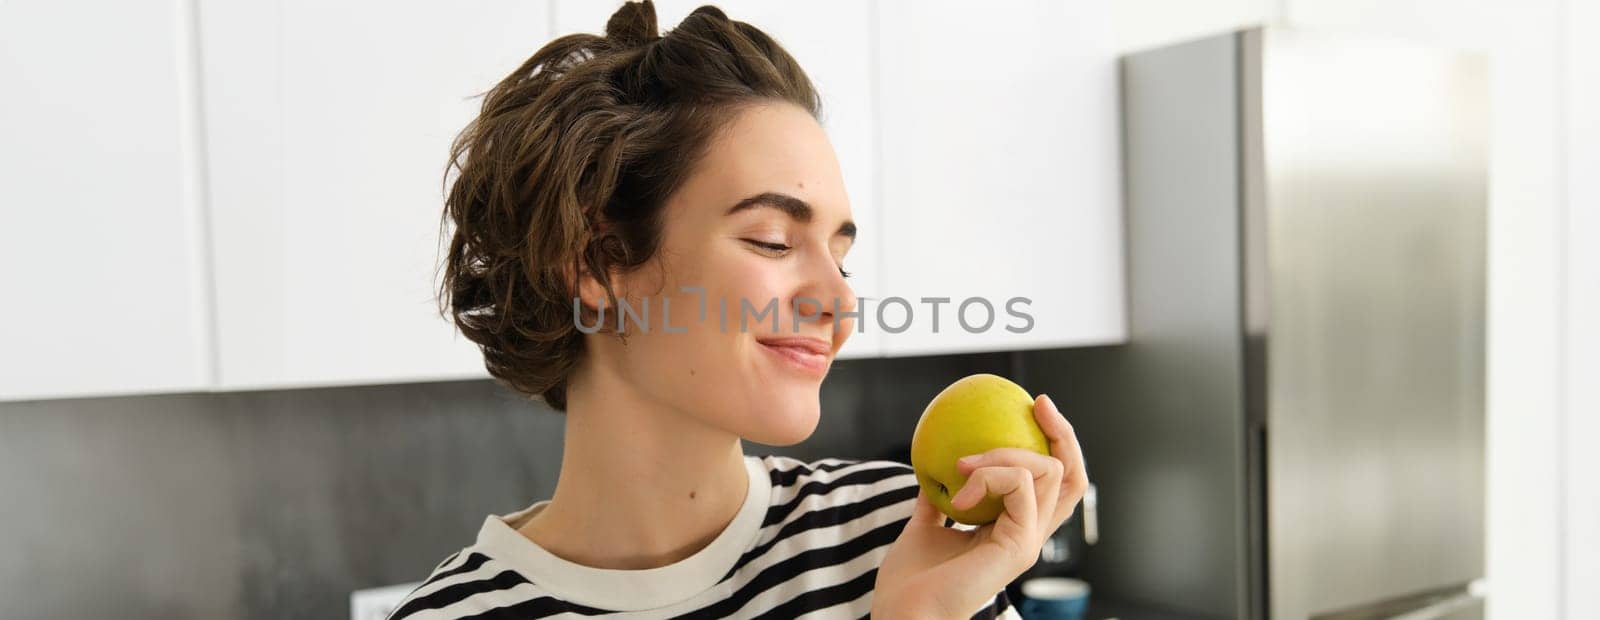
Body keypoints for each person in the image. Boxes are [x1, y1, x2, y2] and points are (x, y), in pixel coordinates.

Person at [389, 2, 1089, 618]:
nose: (841, 302)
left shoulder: (903, 537)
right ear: (597, 264)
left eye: (840, 256)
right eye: (774, 241)